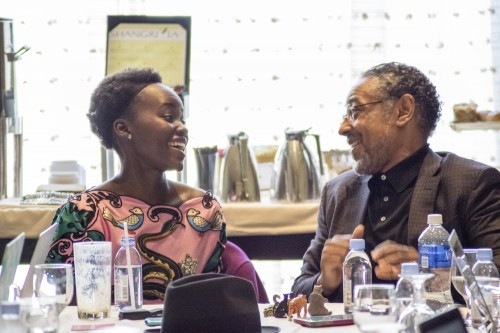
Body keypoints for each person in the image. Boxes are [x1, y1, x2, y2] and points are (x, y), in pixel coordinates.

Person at [291, 62, 500, 302]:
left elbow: (496, 281)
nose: (343, 127)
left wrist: (430, 276)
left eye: (356, 111)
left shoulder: (471, 183)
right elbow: (299, 288)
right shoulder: (338, 191)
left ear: (403, 111)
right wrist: (324, 282)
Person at [45, 67, 227, 303]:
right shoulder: (84, 213)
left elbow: (210, 305)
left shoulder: (204, 211)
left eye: (182, 118)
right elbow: (64, 306)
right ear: (123, 128)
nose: (182, 128)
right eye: (168, 117)